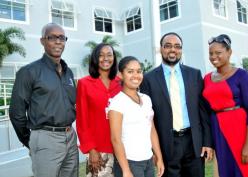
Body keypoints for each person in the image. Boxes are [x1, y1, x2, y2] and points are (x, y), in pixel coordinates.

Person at [9, 23, 78, 177]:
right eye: (52, 37)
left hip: (70, 136)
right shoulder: (29, 72)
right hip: (46, 138)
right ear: (42, 41)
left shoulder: (68, 73)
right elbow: (16, 112)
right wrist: (32, 140)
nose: (58, 41)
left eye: (62, 37)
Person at [140, 32, 213, 177]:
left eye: (177, 46)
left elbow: (203, 112)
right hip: (166, 144)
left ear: (181, 50)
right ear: (161, 49)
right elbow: (147, 118)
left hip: (194, 142)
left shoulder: (194, 74)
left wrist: (207, 142)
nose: (173, 50)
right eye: (168, 46)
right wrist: (154, 151)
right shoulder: (148, 79)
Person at [203, 34, 248, 177]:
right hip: (218, 130)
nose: (213, 57)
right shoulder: (206, 79)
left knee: (247, 170)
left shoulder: (242, 75)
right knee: (225, 170)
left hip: (240, 131)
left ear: (229, 52)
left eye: (218, 52)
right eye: (211, 53)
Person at [108, 56, 165, 177]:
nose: (136, 75)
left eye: (139, 71)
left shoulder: (146, 99)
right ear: (121, 75)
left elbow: (152, 130)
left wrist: (159, 157)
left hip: (148, 160)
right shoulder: (117, 102)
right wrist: (126, 170)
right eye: (130, 71)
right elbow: (115, 139)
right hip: (130, 162)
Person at [76, 43, 121, 177]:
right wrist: (91, 149)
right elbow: (82, 120)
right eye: (101, 55)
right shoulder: (84, 83)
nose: (105, 58)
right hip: (99, 150)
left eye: (109, 55)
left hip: (121, 147)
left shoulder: (120, 82)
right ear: (95, 59)